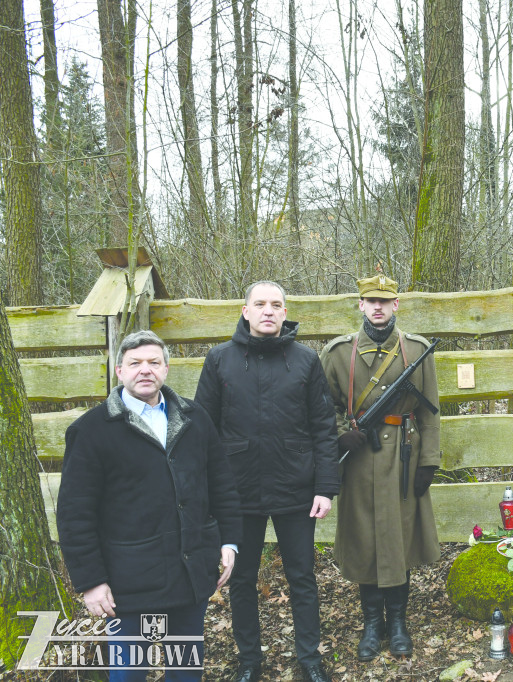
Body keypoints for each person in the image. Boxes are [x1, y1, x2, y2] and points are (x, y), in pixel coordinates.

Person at [57, 330, 242, 682]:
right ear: (119, 371)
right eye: (135, 363)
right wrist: (91, 581)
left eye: (154, 362)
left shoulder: (194, 418)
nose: (145, 370)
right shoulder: (91, 430)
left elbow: (222, 486)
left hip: (190, 574)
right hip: (128, 582)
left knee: (186, 671)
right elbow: (74, 512)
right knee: (128, 674)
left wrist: (229, 540)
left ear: (166, 369)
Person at [195, 281, 339, 682]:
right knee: (241, 578)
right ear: (245, 311)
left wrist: (325, 487)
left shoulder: (305, 360)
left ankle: (309, 659)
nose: (268, 311)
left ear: (284, 311)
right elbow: (202, 430)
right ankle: (249, 660)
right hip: (237, 491)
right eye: (260, 304)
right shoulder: (220, 359)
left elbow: (324, 427)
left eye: (276, 304)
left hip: (296, 486)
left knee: (302, 576)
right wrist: (208, 492)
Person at [319, 274, 441, 662]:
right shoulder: (339, 353)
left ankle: (399, 623)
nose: (377, 307)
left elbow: (430, 413)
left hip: (402, 457)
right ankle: (373, 624)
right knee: (365, 540)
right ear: (360, 305)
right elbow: (324, 410)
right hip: (358, 459)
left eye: (384, 301)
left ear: (396, 305)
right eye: (370, 300)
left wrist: (429, 461)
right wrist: (341, 434)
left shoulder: (416, 350)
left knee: (398, 539)